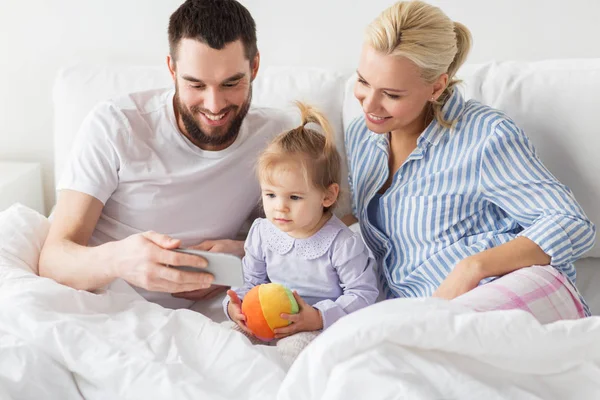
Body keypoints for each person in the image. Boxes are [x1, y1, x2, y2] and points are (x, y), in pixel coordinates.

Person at [344, 0, 596, 322]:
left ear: (437, 86)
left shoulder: (484, 135)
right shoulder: (361, 138)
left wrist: (472, 268)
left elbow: (570, 223)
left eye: (392, 94)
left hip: (507, 292)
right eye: (364, 82)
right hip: (425, 315)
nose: (370, 104)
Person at [39, 0, 295, 309]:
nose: (214, 105)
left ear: (254, 67)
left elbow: (307, 239)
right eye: (195, 84)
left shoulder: (277, 137)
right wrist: (119, 261)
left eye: (231, 83)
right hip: (102, 305)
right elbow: (53, 259)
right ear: (172, 68)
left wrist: (244, 253)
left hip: (202, 314)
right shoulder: (116, 125)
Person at [223, 102, 379, 366]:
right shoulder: (262, 232)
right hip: (270, 315)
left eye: (294, 197)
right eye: (270, 194)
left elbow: (363, 295)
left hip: (317, 322)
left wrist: (317, 317)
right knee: (228, 343)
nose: (279, 206)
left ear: (328, 196)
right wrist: (234, 306)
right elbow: (250, 281)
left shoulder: (341, 244)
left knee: (293, 355)